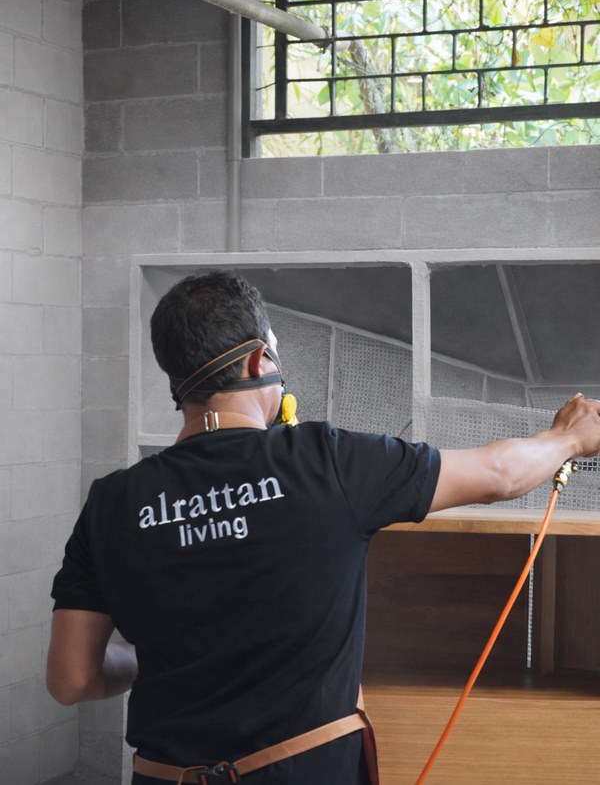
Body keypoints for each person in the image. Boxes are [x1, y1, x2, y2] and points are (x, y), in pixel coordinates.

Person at [47, 271, 600, 785]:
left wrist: (152, 657)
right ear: (261, 360)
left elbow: (72, 679)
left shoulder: (110, 503)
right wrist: (569, 438)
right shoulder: (327, 461)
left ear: (176, 378)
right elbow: (500, 474)